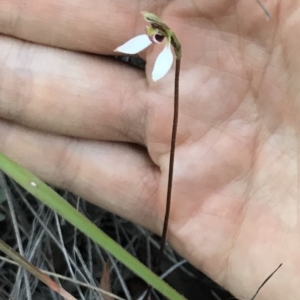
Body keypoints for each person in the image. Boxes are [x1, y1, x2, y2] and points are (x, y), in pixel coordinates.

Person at [0, 1, 297, 299]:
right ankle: (154, 274)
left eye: (157, 33)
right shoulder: (161, 46)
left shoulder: (169, 52)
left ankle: (158, 274)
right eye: (154, 33)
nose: (153, 36)